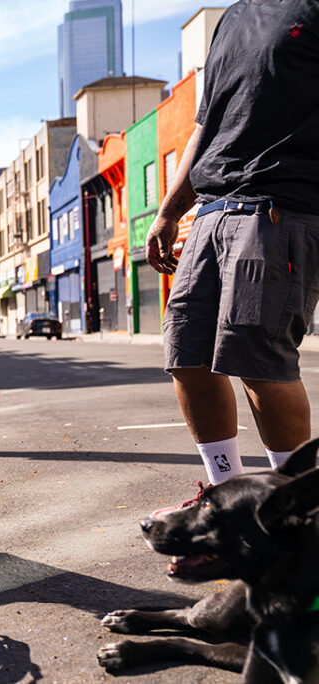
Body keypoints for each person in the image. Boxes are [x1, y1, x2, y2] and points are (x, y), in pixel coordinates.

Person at [146, 0, 319, 499]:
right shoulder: (235, 18)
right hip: (211, 207)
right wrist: (169, 209)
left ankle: (296, 503)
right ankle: (227, 492)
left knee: (258, 358)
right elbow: (206, 124)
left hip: (280, 206)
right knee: (187, 354)